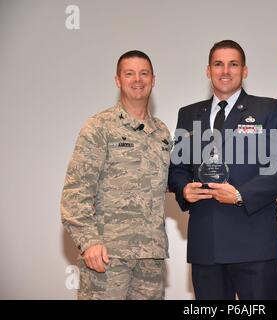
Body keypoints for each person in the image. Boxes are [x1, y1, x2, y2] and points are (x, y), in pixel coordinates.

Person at [168, 40, 277, 300]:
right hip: (207, 245)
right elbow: (177, 168)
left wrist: (241, 195)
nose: (225, 71)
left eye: (233, 64)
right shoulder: (188, 114)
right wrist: (184, 189)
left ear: (245, 71)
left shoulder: (269, 110)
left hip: (254, 244)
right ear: (208, 71)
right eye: (218, 64)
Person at [61, 50, 171, 300]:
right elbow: (76, 191)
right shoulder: (99, 127)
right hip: (107, 256)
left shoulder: (162, 132)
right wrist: (88, 241)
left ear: (153, 79)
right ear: (117, 80)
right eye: (129, 73)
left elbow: (166, 183)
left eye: (144, 73)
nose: (137, 79)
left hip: (150, 258)